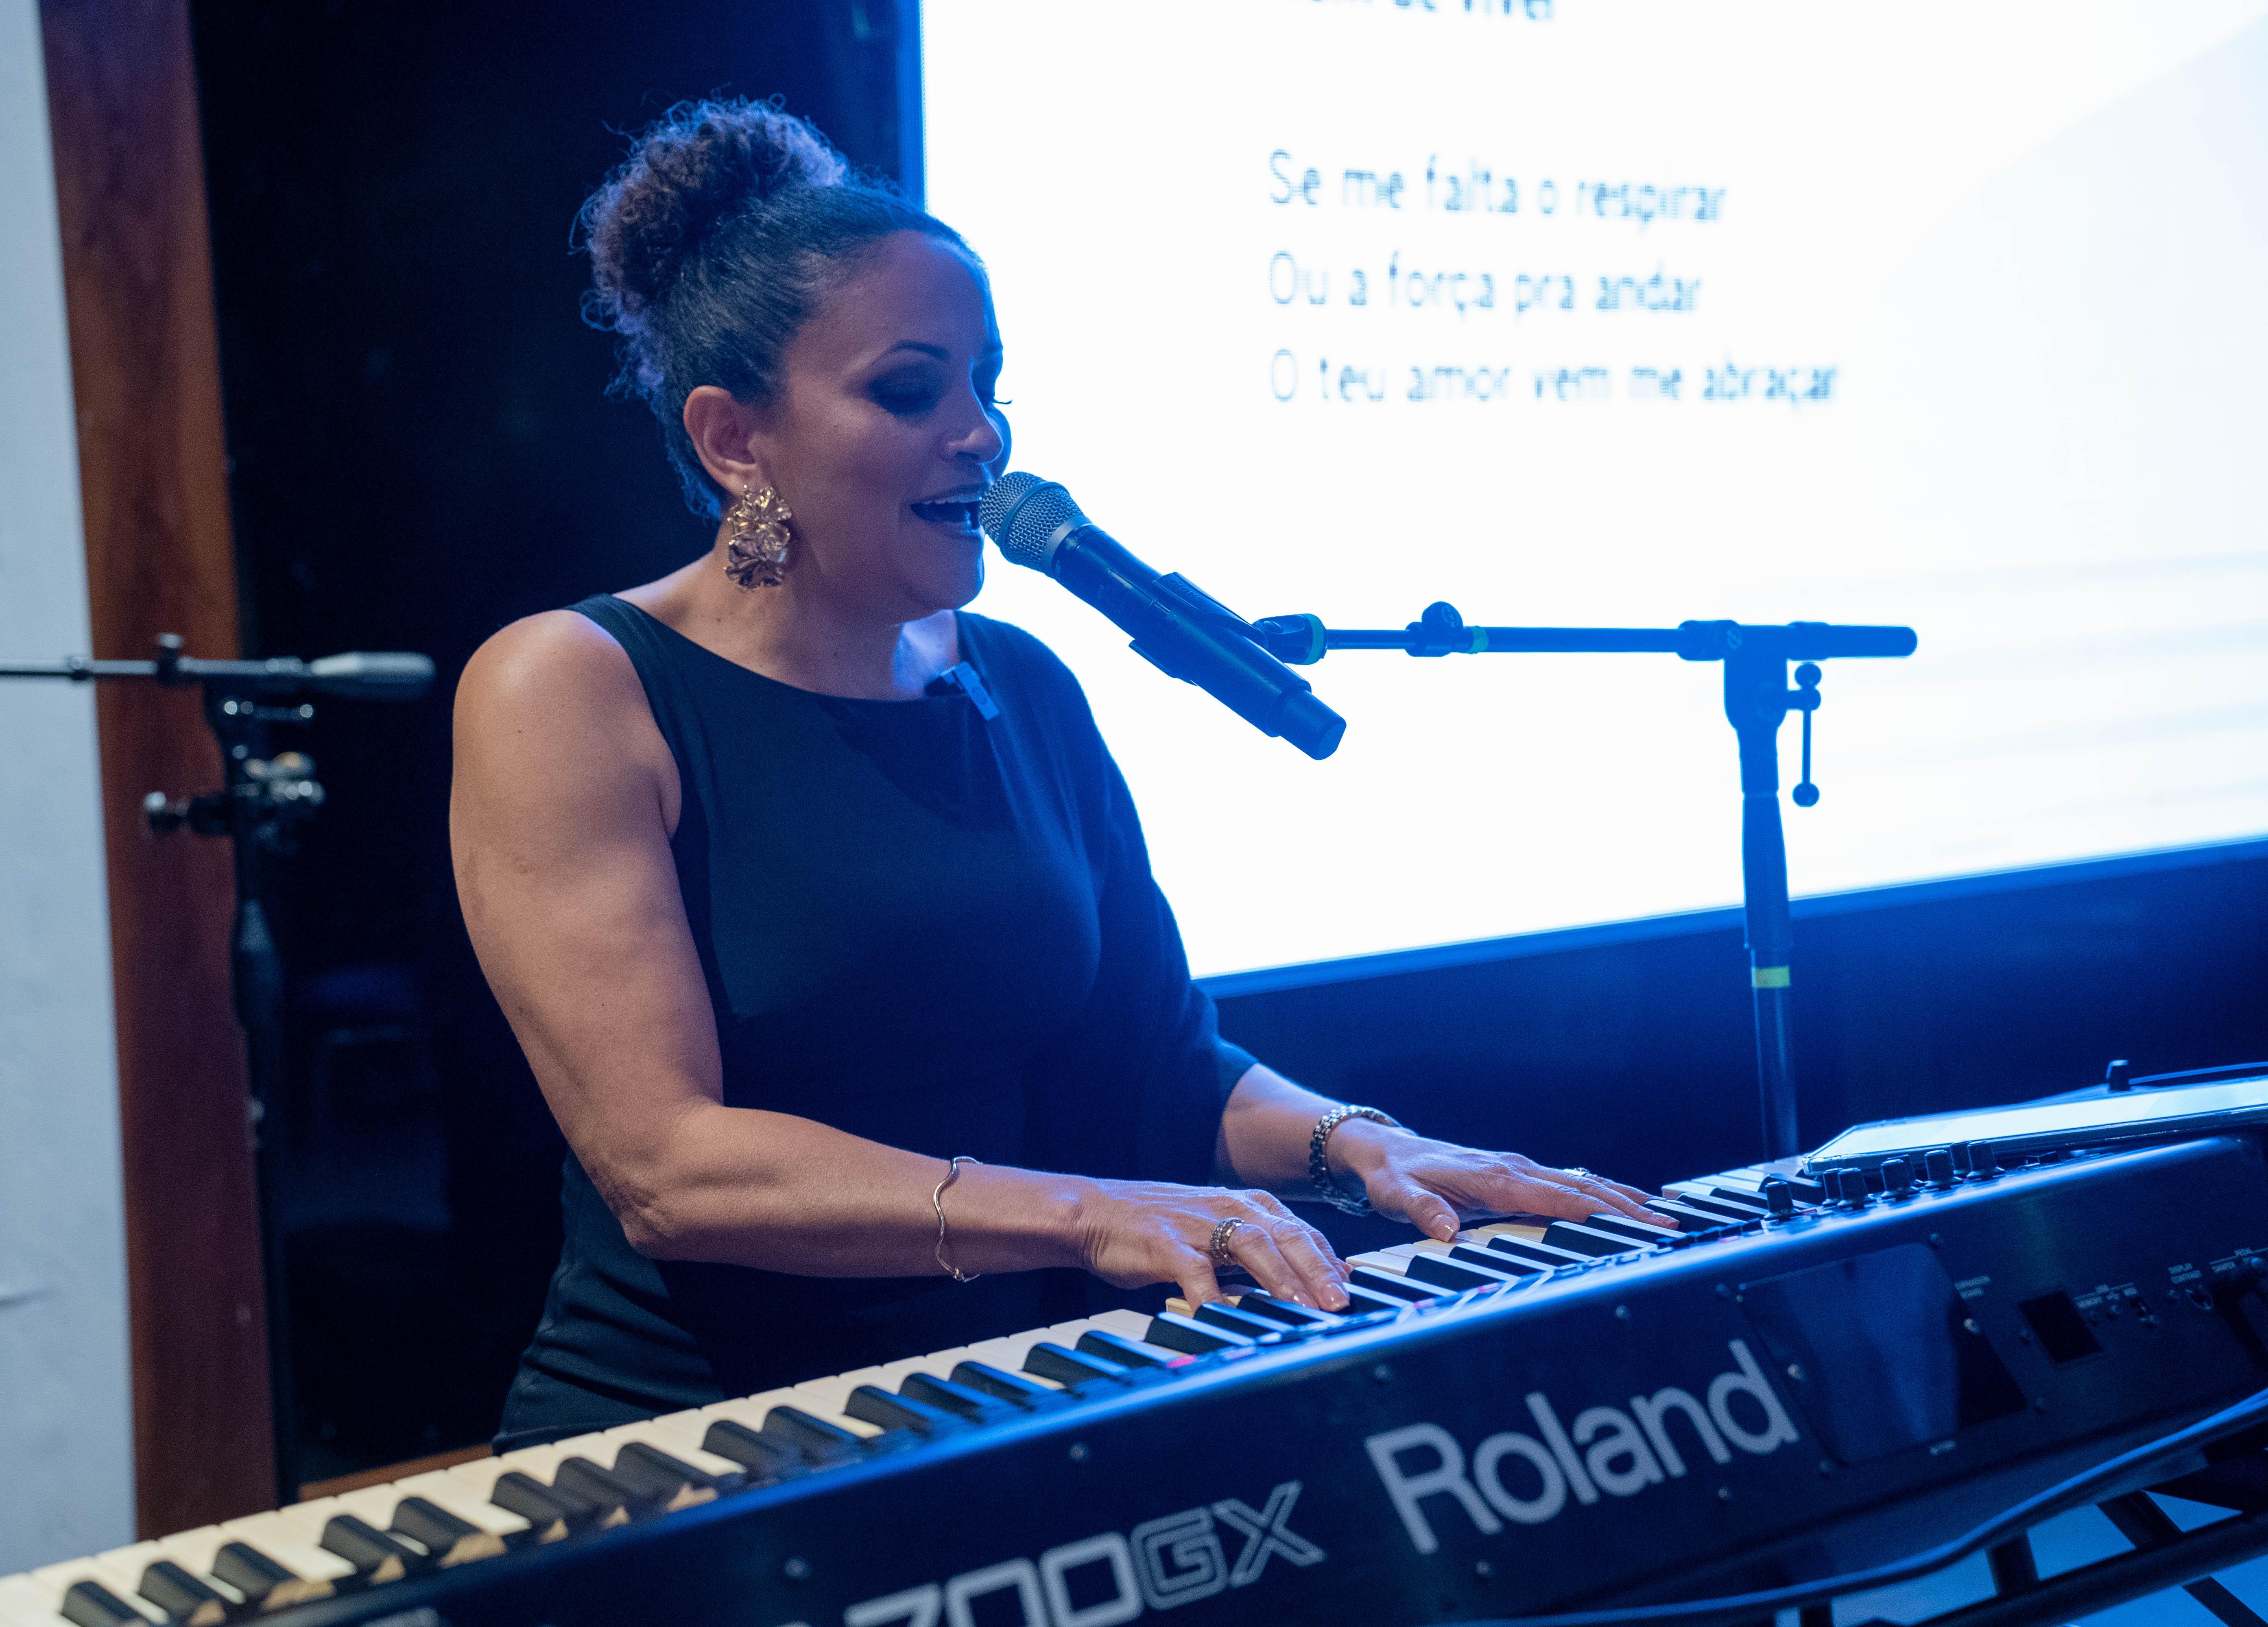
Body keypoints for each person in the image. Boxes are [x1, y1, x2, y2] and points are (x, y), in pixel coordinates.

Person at [450, 100, 1666, 1450]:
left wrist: (1363, 1145)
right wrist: (1085, 1212)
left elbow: (1161, 1066)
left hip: (1006, 1406)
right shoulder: (570, 686)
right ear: (737, 441)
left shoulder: (1021, 681)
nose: (981, 435)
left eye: (990, 386)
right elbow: (669, 1168)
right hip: (696, 1440)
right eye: (911, 391)